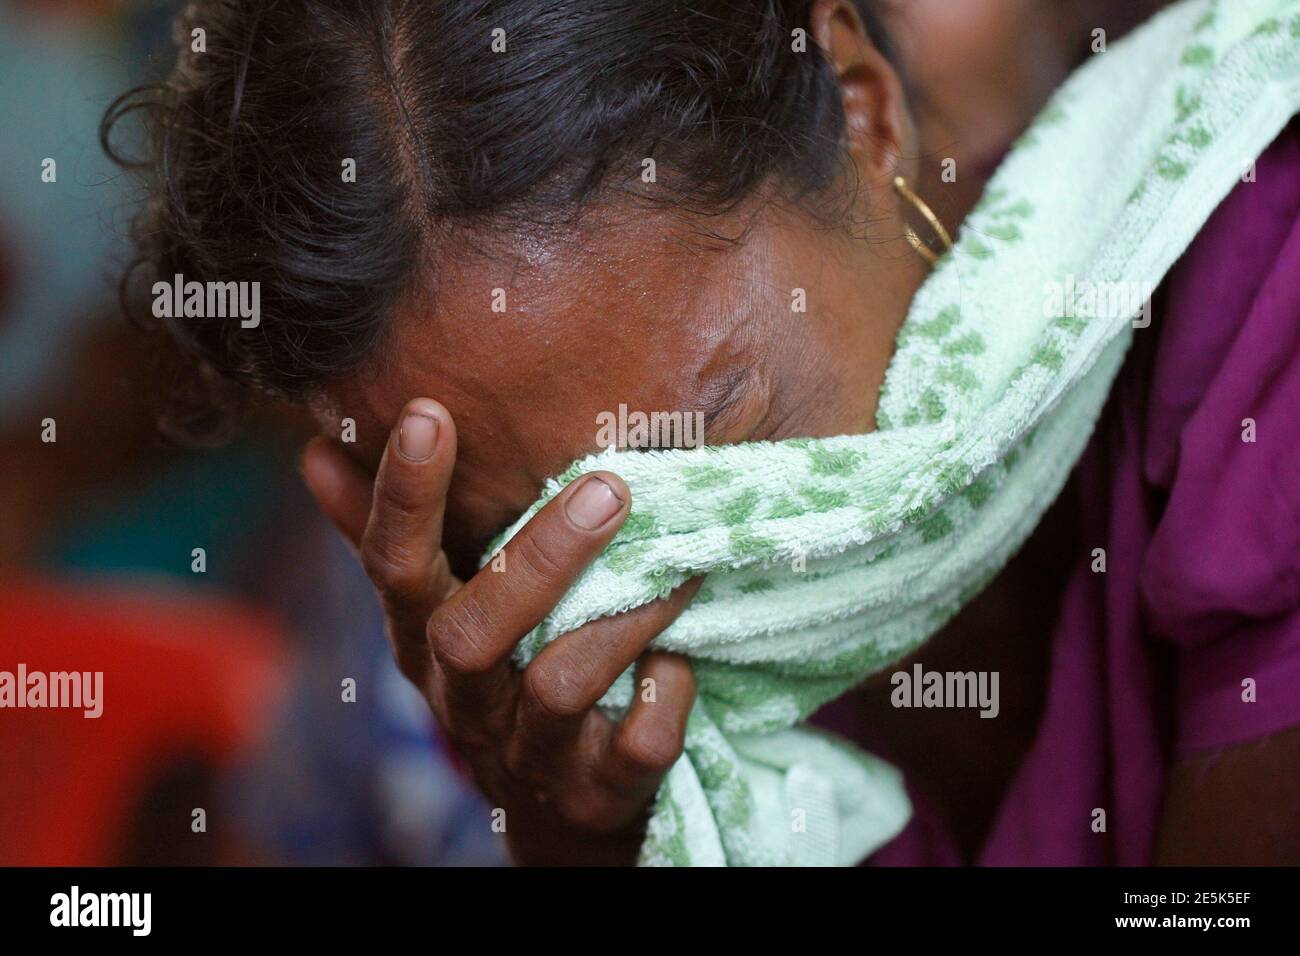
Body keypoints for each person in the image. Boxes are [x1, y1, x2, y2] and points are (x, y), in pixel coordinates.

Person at [104, 0, 1300, 864]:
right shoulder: (564, 729)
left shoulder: (1255, 273)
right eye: (535, 545)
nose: (692, 577)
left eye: (723, 432)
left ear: (862, 109)